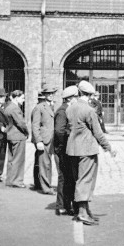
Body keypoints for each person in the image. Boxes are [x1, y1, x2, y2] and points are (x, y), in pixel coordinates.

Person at [66, 81, 116, 224]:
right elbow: (98, 133)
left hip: (73, 149)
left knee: (79, 179)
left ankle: (85, 210)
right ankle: (82, 212)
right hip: (87, 149)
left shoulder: (70, 108)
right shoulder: (89, 110)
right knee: (86, 180)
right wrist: (109, 148)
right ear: (89, 95)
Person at [53, 85, 78, 217]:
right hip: (63, 150)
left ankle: (66, 205)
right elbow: (59, 130)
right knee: (64, 177)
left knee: (68, 177)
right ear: (70, 98)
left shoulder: (66, 109)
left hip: (65, 149)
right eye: (75, 97)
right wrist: (66, 143)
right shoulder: (63, 111)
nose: (77, 99)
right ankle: (62, 206)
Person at [31, 84, 56, 195]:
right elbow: (35, 126)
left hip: (53, 139)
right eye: (48, 93)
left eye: (52, 93)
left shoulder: (54, 106)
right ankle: (45, 187)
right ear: (44, 95)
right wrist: (38, 141)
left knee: (49, 163)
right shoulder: (39, 107)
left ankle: (47, 184)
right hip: (44, 139)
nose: (50, 95)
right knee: (44, 163)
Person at [3, 90, 28, 187]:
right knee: (18, 160)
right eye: (22, 98)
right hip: (18, 136)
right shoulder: (15, 109)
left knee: (11, 159)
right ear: (16, 97)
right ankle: (17, 181)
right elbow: (21, 123)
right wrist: (27, 132)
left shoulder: (8, 107)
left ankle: (10, 180)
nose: (24, 100)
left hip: (10, 135)